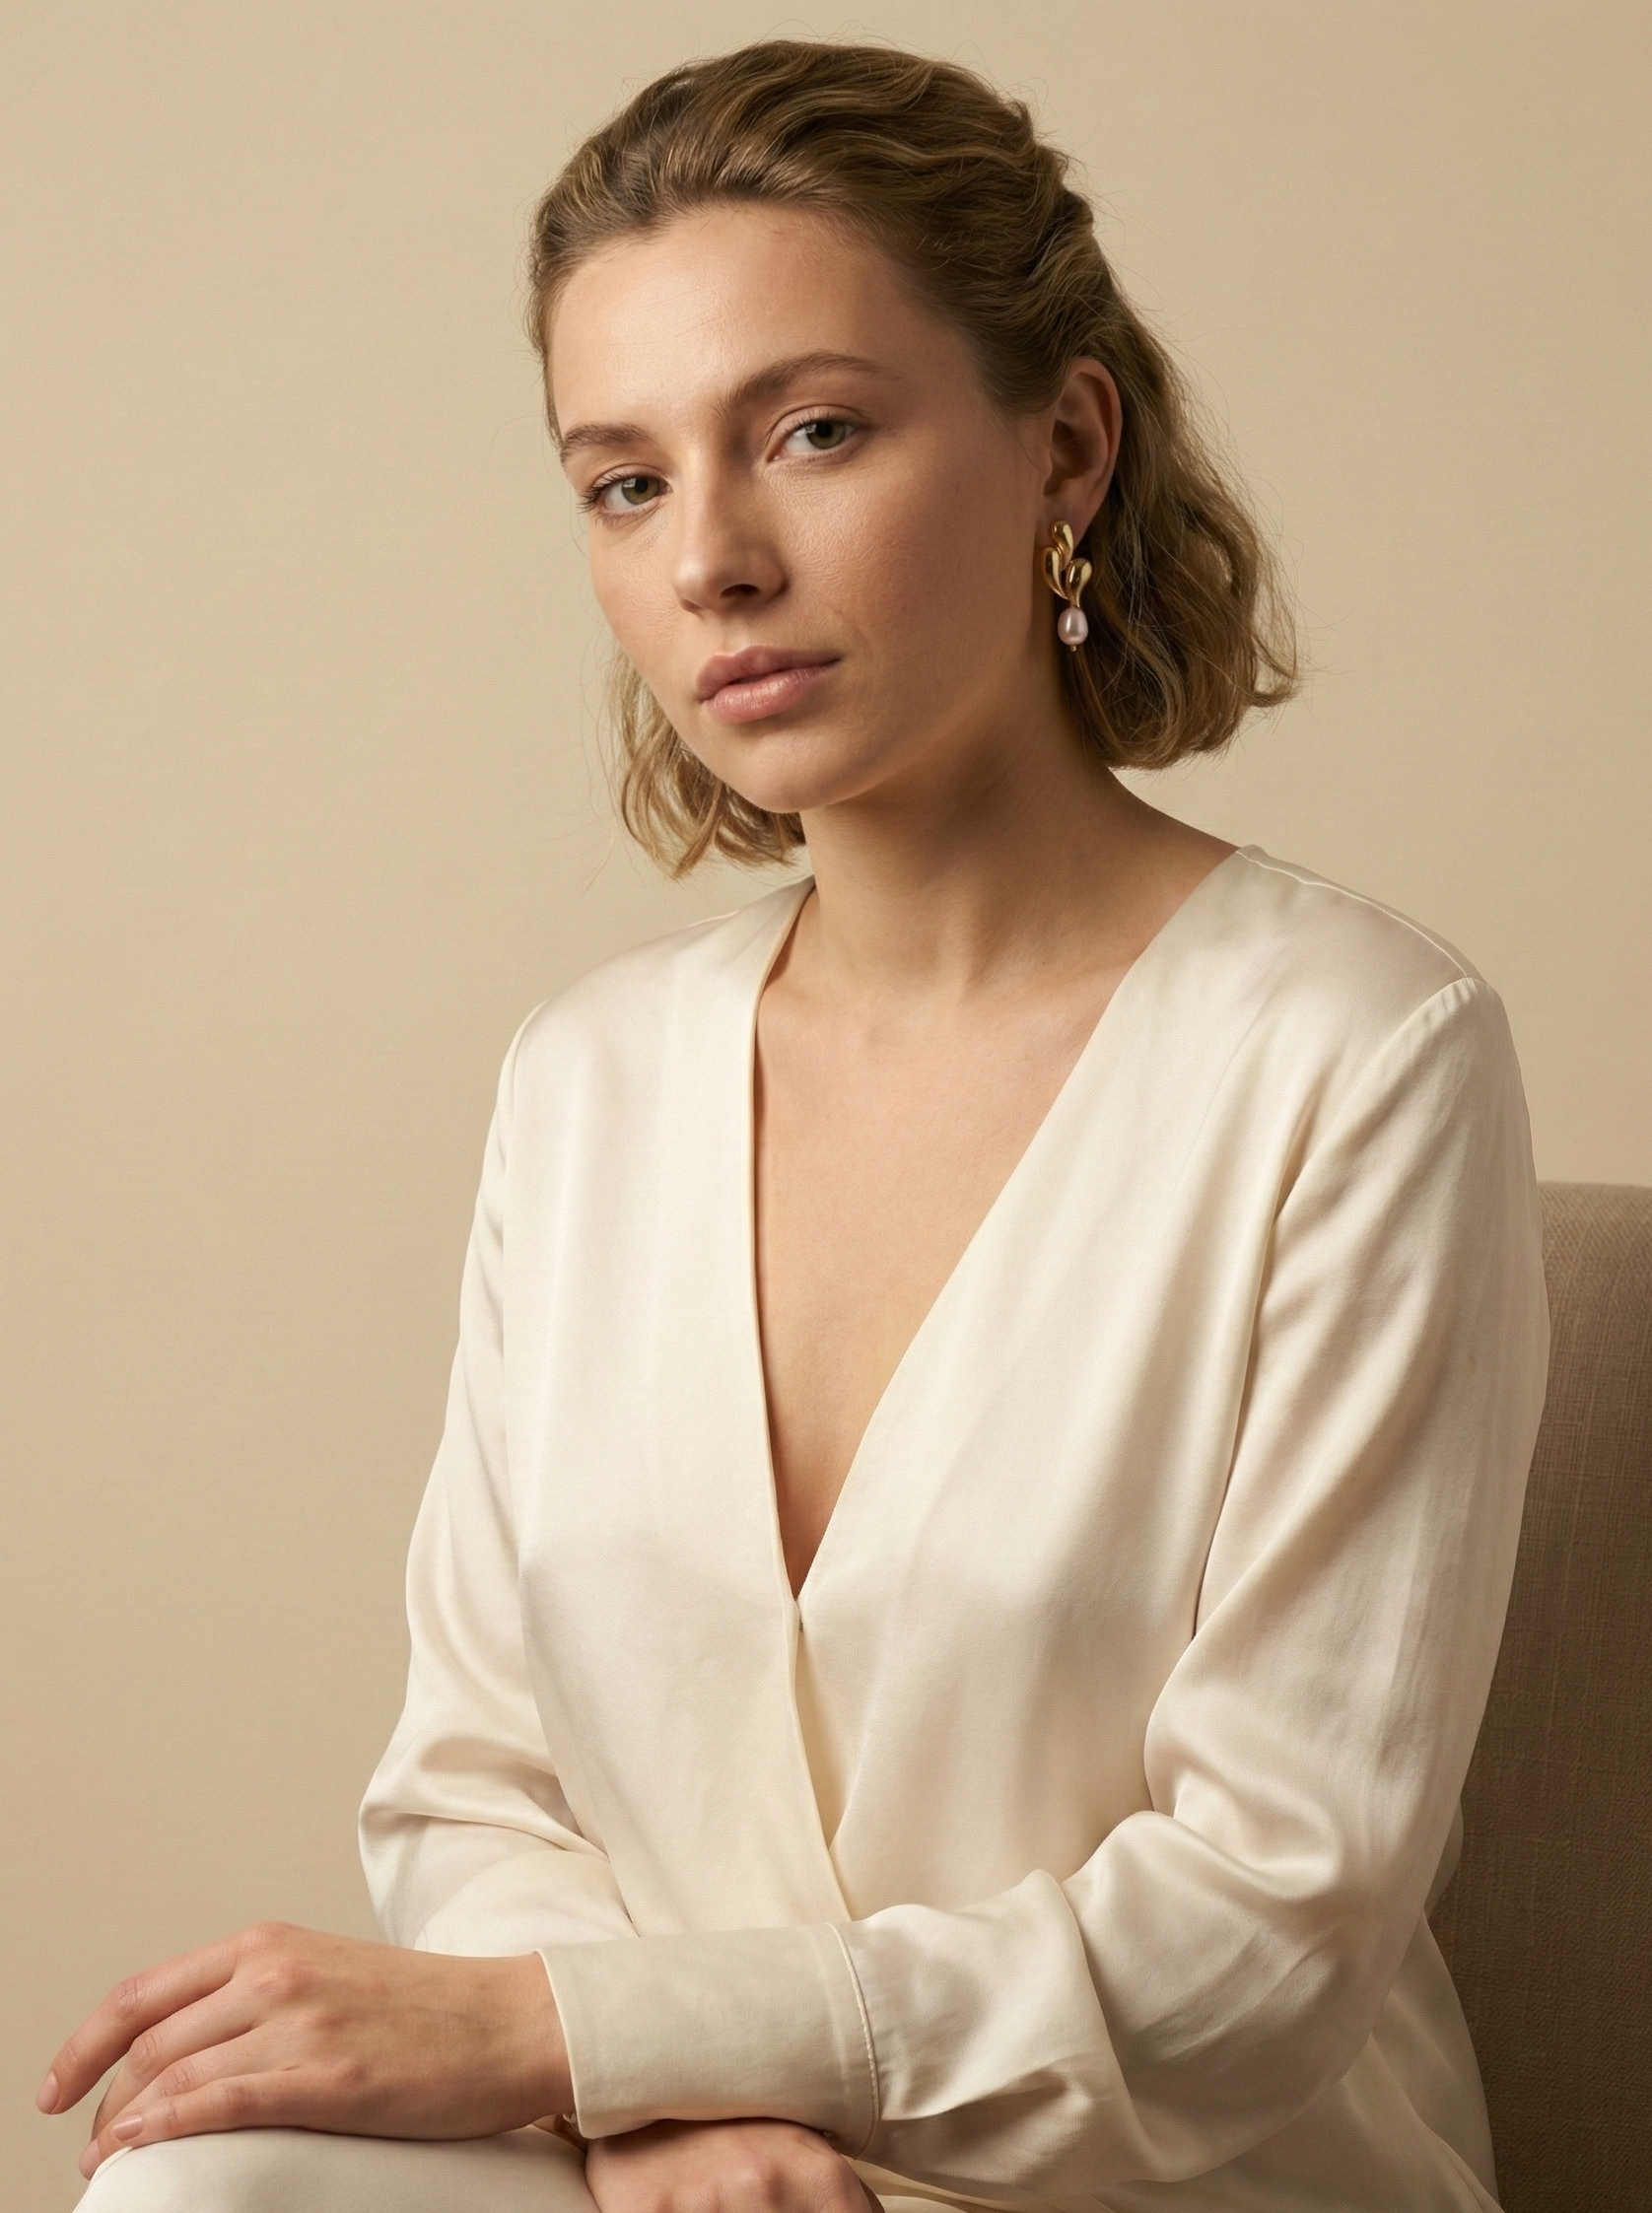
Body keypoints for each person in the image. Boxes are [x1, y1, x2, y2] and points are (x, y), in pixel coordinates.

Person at [41, 38, 1549, 2213]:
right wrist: (671, 2101)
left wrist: (598, 2037)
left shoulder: (1357, 1055)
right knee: (199, 2186)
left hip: (1173, 2182)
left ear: (1067, 443)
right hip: (692, 2169)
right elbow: (474, 1781)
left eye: (813, 432)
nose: (711, 561)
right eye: (622, 481)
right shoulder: (588, 1080)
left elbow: (1265, 1928)